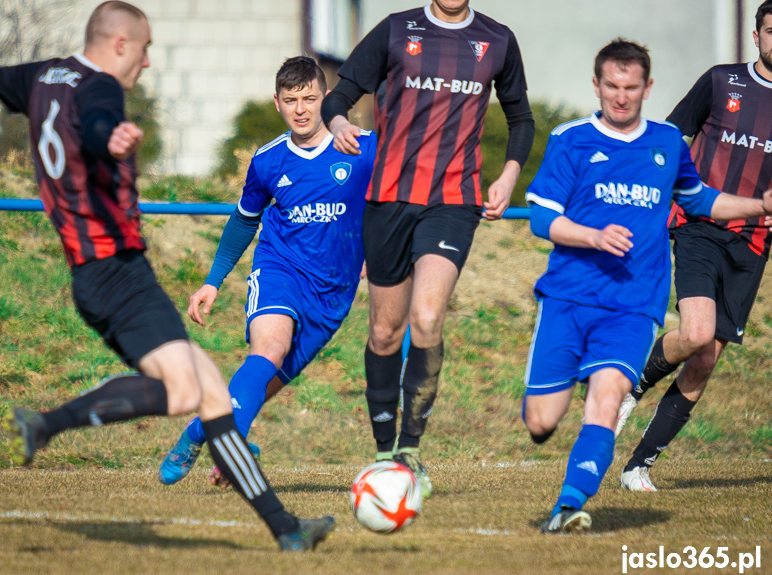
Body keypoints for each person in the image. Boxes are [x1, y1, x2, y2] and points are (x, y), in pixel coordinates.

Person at [0, 1, 333, 551]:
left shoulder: (41, 78)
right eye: (146, 48)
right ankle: (47, 424)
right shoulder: (101, 87)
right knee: (193, 391)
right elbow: (101, 120)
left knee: (212, 398)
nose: (148, 62)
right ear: (118, 45)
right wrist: (109, 138)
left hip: (90, 274)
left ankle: (287, 531)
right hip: (119, 274)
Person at [523, 39, 772, 533]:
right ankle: (558, 421)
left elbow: (701, 199)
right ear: (596, 85)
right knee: (541, 421)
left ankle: (569, 505)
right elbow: (540, 218)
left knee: (609, 394)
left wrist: (759, 206)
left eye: (631, 88)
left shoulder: (665, 144)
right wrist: (593, 235)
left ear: (647, 88)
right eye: (611, 87)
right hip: (569, 297)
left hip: (634, 303)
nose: (620, 97)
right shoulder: (570, 139)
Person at [320, 0, 535, 498]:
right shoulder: (396, 30)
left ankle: (410, 451)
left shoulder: (497, 40)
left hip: (453, 200)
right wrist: (339, 125)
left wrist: (508, 175)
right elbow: (341, 95)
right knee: (383, 331)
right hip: (388, 197)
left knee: (428, 317)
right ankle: (381, 451)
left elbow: (521, 117)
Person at [156, 56, 377, 487]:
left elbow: (387, 206)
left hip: (333, 291)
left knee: (265, 382)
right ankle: (228, 447)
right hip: (280, 269)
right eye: (291, 100)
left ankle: (204, 430)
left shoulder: (363, 148)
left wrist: (376, 249)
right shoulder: (268, 161)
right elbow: (244, 220)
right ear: (277, 103)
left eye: (310, 99)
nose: (301, 109)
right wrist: (212, 281)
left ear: (326, 100)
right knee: (269, 348)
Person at [616, 0, 772, 492]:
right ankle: (635, 385)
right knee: (697, 332)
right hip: (699, 225)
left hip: (755, 241)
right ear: (756, 36)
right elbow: (671, 135)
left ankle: (639, 465)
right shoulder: (722, 81)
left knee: (705, 359)